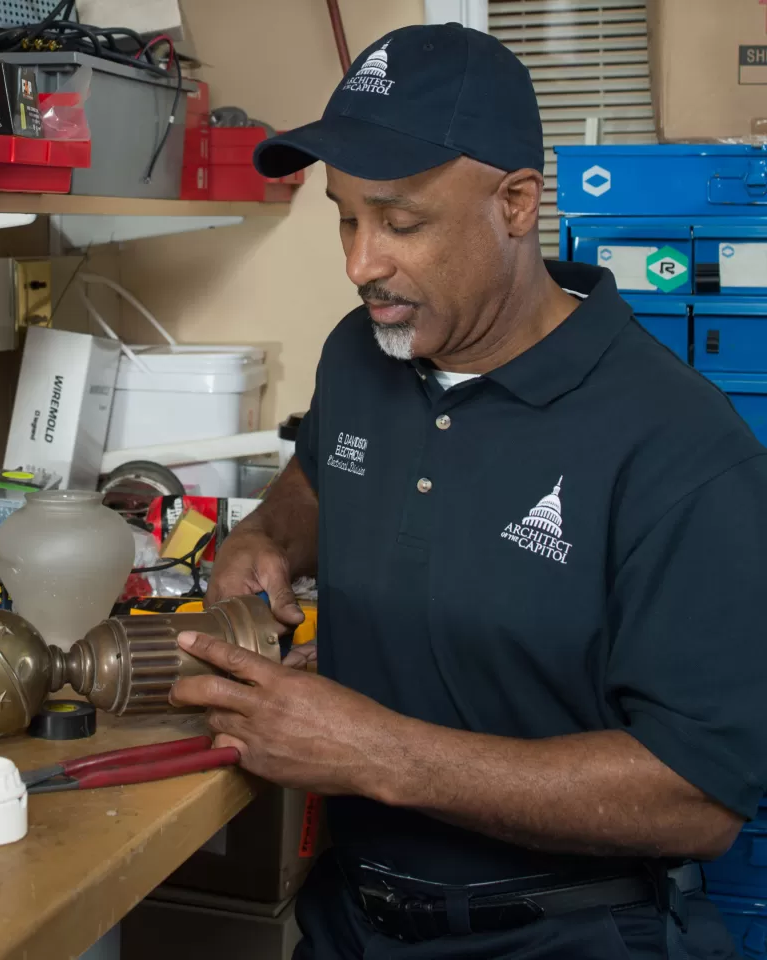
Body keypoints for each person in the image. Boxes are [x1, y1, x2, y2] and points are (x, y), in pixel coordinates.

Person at [169, 22, 767, 960]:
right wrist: (266, 540)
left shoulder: (680, 449)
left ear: (518, 204)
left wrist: (376, 753)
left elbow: (697, 799)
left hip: (563, 936)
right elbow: (324, 476)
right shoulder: (361, 353)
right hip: (347, 917)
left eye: (402, 223)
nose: (362, 263)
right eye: (345, 217)